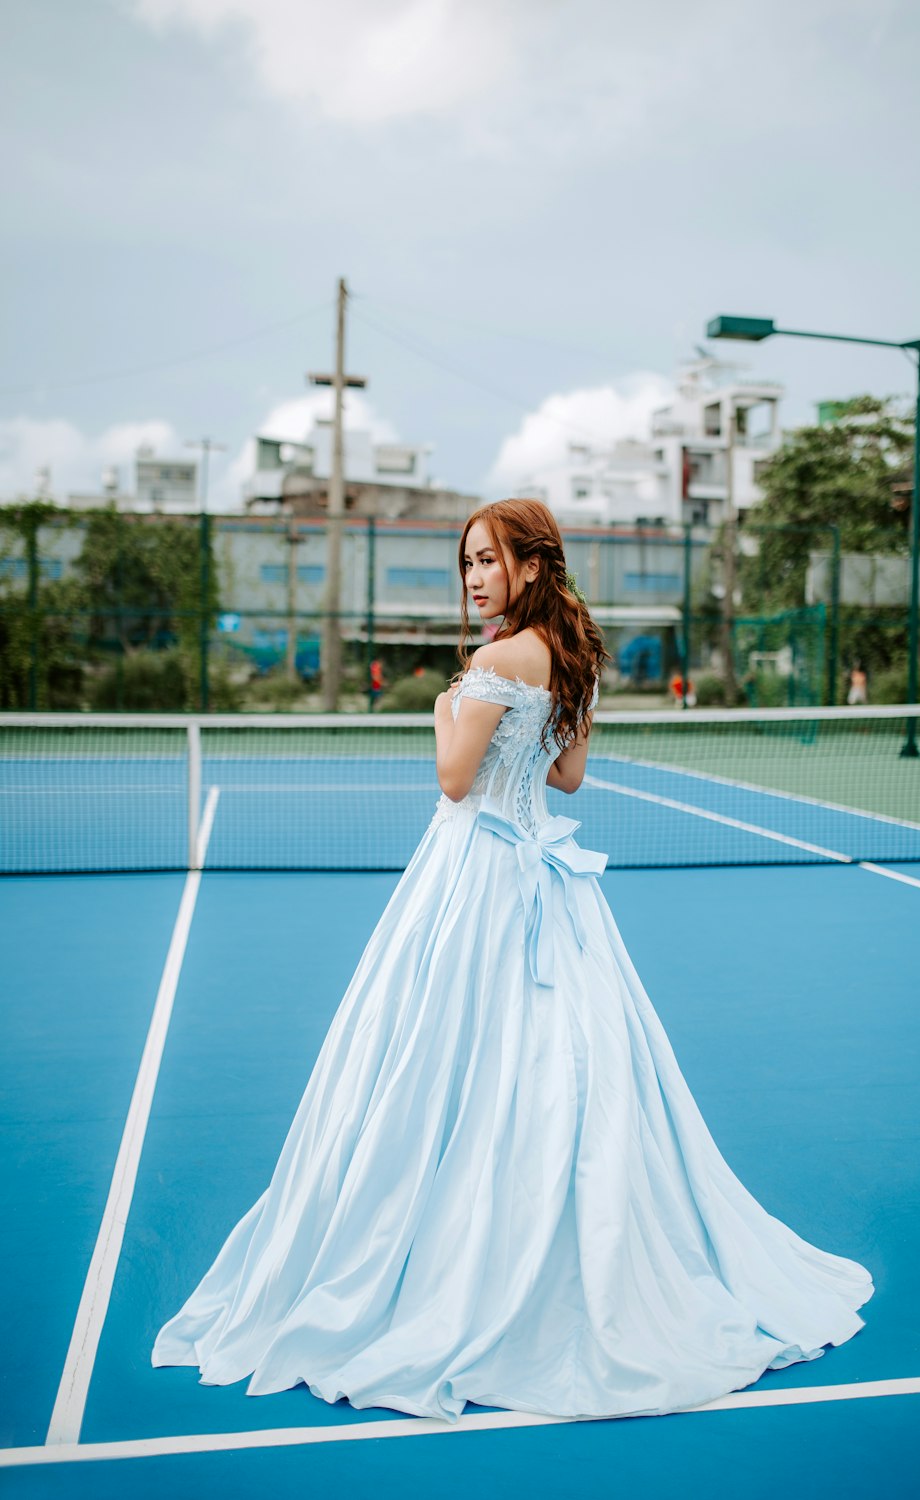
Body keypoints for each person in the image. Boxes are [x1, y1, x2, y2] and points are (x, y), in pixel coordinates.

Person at [151, 499, 873, 1423]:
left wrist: (445, 703)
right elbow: (567, 778)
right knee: (559, 1062)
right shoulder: (574, 660)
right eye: (466, 565)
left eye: (487, 562)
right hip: (546, 881)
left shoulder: (491, 663)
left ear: (531, 566)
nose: (474, 579)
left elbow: (455, 779)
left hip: (476, 878)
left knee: (443, 1054)